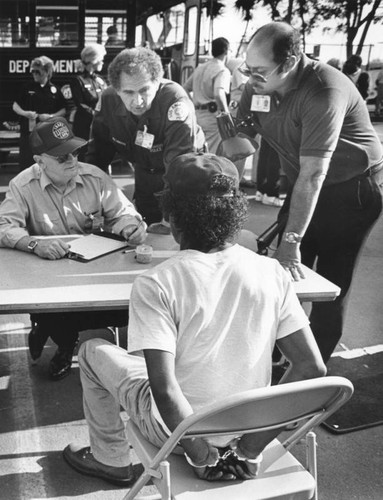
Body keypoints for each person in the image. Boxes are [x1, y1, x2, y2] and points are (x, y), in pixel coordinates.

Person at [62, 152, 325, 486]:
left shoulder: (158, 282)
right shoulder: (272, 271)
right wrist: (249, 448)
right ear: (236, 213)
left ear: (171, 217)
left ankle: (110, 459)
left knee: (92, 351)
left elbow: (166, 391)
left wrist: (200, 454)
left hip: (179, 436)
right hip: (248, 428)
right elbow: (311, 368)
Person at [236, 22, 383, 363]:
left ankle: (309, 374)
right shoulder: (259, 85)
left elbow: (315, 174)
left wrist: (291, 244)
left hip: (352, 189)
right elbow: (241, 140)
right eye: (247, 68)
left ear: (289, 63)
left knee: (328, 284)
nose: (251, 77)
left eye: (258, 70)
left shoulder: (322, 90)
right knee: (279, 275)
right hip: (305, 182)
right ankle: (271, 355)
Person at [0, 117, 147, 380]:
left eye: (74, 152)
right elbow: (4, 227)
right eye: (61, 157)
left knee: (122, 309)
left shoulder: (95, 177)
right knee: (58, 312)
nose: (72, 161)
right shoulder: (21, 185)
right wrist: (34, 244)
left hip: (94, 270)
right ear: (39, 161)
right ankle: (64, 344)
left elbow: (122, 212)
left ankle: (50, 329)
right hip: (47, 277)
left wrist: (129, 227)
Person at [85, 47, 205, 230]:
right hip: (144, 172)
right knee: (145, 227)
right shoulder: (108, 99)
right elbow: (96, 158)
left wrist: (168, 219)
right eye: (129, 93)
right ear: (117, 90)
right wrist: (95, 206)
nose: (138, 101)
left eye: (144, 90)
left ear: (157, 83)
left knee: (182, 233)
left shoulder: (175, 100)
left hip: (187, 176)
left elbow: (179, 164)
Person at [12, 56, 66, 171]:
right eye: (33, 71)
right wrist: (25, 113)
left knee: (47, 162)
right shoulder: (27, 87)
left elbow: (63, 110)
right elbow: (15, 106)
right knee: (27, 161)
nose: (34, 74)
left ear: (47, 72)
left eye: (38, 72)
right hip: (29, 132)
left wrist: (51, 116)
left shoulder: (54, 90)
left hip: (47, 132)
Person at [183, 37, 231, 154]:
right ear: (226, 51)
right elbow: (218, 94)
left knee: (197, 149)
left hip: (197, 115)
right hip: (212, 117)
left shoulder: (200, 68)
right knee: (210, 154)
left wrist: (192, 104)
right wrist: (226, 115)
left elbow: (184, 88)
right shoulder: (222, 70)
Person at [70, 44, 107, 159]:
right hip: (84, 125)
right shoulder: (78, 80)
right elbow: (80, 104)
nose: (102, 63)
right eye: (101, 60)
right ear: (93, 61)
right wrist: (96, 114)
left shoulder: (99, 80)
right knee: (83, 154)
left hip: (99, 124)